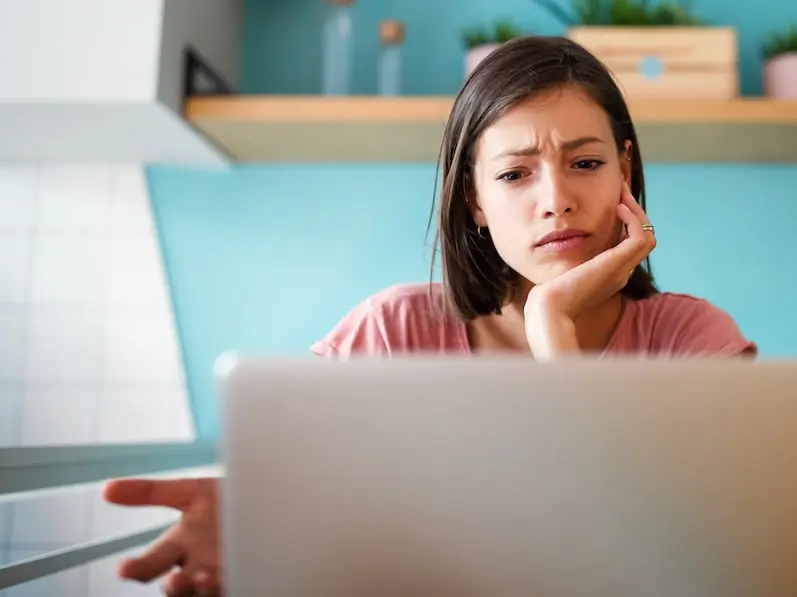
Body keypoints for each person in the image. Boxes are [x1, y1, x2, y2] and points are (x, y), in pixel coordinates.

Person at [102, 35, 756, 596]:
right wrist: (258, 534)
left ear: (624, 171)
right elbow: (301, 514)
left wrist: (552, 329)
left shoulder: (693, 342)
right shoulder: (391, 334)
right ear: (473, 198)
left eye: (586, 163)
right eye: (515, 175)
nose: (556, 198)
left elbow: (681, 563)